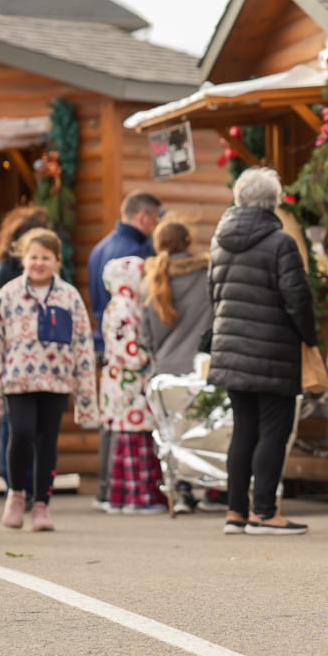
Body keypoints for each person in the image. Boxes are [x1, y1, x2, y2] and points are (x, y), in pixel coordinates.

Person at [208, 167, 318, 535]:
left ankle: (236, 512)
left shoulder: (219, 241)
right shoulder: (280, 242)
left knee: (244, 430)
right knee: (273, 431)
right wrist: (310, 338)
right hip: (273, 351)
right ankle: (266, 513)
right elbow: (297, 299)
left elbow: (215, 295)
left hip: (231, 347)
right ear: (273, 202)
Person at [0, 228, 96, 532]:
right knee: (21, 433)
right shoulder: (9, 294)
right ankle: (16, 495)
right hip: (18, 380)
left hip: (57, 381)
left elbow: (83, 344)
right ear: (23, 258)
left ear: (56, 261)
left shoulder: (69, 296)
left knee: (47, 441)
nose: (39, 263)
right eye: (33, 257)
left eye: (45, 258)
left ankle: (42, 505)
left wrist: (85, 393)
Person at [87, 190, 162, 510]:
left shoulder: (99, 249)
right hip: (130, 363)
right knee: (132, 433)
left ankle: (108, 489)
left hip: (108, 351)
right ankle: (131, 492)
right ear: (143, 217)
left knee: (113, 427)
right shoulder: (138, 252)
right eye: (155, 218)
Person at [138, 216, 215, 514]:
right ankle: (210, 488)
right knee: (206, 431)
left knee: (172, 435)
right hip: (201, 366)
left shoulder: (151, 280)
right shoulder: (206, 274)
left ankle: (180, 492)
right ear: (188, 242)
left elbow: (146, 333)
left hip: (165, 371)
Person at [101, 255, 166, 514]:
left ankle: (127, 495)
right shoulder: (124, 307)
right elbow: (127, 349)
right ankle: (135, 497)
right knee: (134, 438)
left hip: (126, 384)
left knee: (134, 436)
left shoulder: (125, 304)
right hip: (129, 385)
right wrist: (147, 361)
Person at [0, 204, 50, 496]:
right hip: (16, 360)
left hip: (41, 361)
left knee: (29, 427)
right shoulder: (7, 274)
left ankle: (28, 486)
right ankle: (18, 485)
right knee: (16, 426)